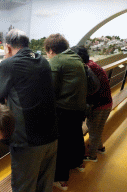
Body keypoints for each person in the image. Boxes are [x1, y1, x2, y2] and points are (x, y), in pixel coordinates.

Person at [0, 29, 58, 192]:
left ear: (8, 47)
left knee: (24, 186)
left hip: (27, 141)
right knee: (45, 185)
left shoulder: (8, 64)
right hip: (51, 135)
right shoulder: (42, 60)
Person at [44, 34, 87, 191]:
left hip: (64, 110)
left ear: (51, 50)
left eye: (47, 52)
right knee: (75, 136)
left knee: (61, 145)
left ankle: (61, 180)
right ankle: (78, 163)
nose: (47, 56)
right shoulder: (75, 58)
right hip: (79, 108)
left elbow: (51, 91)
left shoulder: (57, 61)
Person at [71, 45, 112, 162]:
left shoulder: (86, 69)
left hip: (99, 105)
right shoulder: (92, 64)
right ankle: (100, 147)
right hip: (106, 103)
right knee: (97, 128)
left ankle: (92, 156)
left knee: (93, 130)